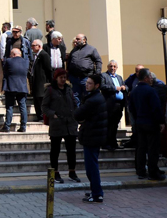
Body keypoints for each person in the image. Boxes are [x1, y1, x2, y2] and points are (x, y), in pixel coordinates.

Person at [42, 69, 81, 184]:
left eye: (65, 77)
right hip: (57, 124)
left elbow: (74, 103)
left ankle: (72, 172)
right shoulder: (50, 90)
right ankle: (55, 173)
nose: (63, 79)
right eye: (61, 77)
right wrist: (52, 115)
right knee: (55, 150)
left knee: (71, 150)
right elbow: (44, 106)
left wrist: (76, 114)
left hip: (70, 124)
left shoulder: (69, 89)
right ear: (56, 78)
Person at [74, 74, 107, 203]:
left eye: (90, 83)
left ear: (97, 85)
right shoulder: (96, 97)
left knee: (91, 167)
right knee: (92, 166)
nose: (86, 85)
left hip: (92, 136)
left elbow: (78, 114)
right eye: (86, 82)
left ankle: (97, 193)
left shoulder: (93, 100)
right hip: (94, 135)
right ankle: (95, 190)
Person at [128, 68, 166, 181]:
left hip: (139, 123)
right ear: (145, 78)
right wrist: (161, 122)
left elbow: (131, 108)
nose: (151, 78)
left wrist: (136, 119)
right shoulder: (151, 91)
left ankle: (140, 171)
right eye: (149, 76)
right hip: (151, 123)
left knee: (141, 148)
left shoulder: (134, 91)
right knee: (152, 149)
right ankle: (153, 172)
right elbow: (156, 108)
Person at [100, 60, 126, 150]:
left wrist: (125, 87)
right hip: (109, 104)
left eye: (114, 66)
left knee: (114, 125)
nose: (112, 68)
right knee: (108, 125)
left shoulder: (119, 77)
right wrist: (115, 88)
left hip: (118, 105)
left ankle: (113, 143)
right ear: (107, 67)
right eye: (111, 66)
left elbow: (124, 85)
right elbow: (102, 86)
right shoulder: (104, 76)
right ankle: (106, 144)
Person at [66, 34, 102, 101]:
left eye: (78, 39)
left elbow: (98, 61)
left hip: (86, 78)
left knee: (88, 97)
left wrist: (97, 73)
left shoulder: (91, 49)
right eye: (76, 39)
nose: (76, 41)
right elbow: (69, 62)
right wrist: (69, 74)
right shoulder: (74, 50)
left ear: (84, 40)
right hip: (75, 78)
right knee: (75, 98)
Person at [1, 48, 29, 133]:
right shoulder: (26, 61)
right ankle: (23, 126)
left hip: (10, 86)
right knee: (23, 107)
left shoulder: (8, 61)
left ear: (13, 54)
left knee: (9, 107)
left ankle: (7, 126)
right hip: (22, 87)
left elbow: (5, 71)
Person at [29, 39, 52, 121]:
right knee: (37, 100)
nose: (31, 47)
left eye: (33, 45)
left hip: (42, 82)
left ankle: (43, 117)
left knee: (41, 99)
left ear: (39, 46)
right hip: (36, 81)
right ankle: (39, 116)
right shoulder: (37, 55)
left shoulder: (44, 55)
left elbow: (48, 69)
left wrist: (50, 81)